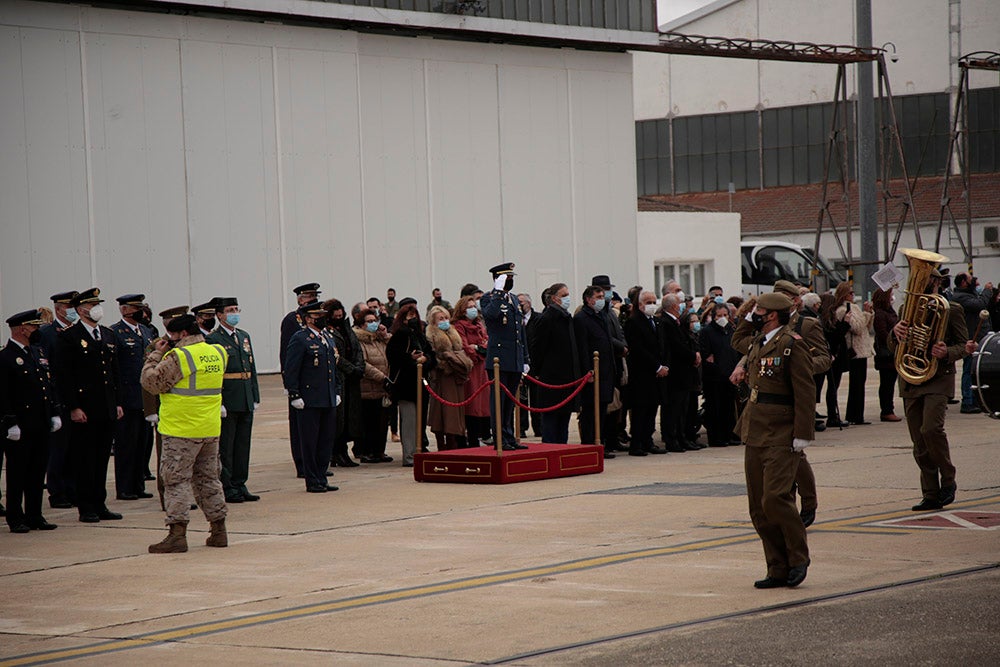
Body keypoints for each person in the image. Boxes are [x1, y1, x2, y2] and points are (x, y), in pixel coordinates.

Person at [734, 292, 814, 589]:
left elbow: (805, 391)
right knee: (758, 506)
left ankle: (798, 557)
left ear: (772, 315)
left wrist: (802, 433)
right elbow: (737, 338)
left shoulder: (792, 346)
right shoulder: (759, 342)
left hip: (782, 431)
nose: (755, 313)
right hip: (755, 429)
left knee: (776, 499)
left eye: (759, 310)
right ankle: (777, 566)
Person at [140, 313, 229, 552]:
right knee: (209, 479)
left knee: (176, 480)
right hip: (209, 428)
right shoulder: (218, 351)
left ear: (182, 334)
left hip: (181, 430)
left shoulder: (179, 356)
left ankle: (177, 534)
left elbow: (152, 383)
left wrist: (155, 355)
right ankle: (219, 529)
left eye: (172, 335)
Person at [890, 269, 973, 511]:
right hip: (911, 378)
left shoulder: (952, 309)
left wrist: (946, 352)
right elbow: (890, 344)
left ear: (937, 281)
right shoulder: (906, 309)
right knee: (919, 441)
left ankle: (948, 477)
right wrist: (895, 334)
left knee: (931, 429)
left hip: (937, 377)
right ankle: (930, 493)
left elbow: (963, 345)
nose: (922, 282)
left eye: (927, 278)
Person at [56, 288, 124, 524]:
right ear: (81, 309)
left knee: (102, 457)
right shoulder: (69, 336)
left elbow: (114, 373)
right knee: (85, 458)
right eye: (92, 304)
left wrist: (117, 403)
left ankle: (99, 502)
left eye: (98, 303)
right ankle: (86, 506)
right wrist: (73, 407)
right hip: (85, 408)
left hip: (106, 406)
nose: (97, 308)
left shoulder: (106, 334)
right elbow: (65, 376)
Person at [1, 309, 62, 533]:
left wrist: (54, 412)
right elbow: (4, 394)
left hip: (40, 422)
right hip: (21, 425)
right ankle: (15, 517)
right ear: (22, 329)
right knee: (18, 473)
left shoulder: (36, 352)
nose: (37, 330)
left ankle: (35, 515)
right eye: (34, 326)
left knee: (37, 472)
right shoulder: (6, 357)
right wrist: (10, 422)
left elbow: (48, 385)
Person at [206, 297, 261, 504]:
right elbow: (215, 373)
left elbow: (251, 368)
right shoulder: (214, 339)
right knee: (226, 446)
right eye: (230, 310)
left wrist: (255, 395)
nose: (234, 312)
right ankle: (227, 485)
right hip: (228, 398)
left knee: (243, 444)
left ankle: (240, 482)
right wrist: (217, 400)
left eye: (236, 308)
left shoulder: (244, 336)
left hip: (245, 396)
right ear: (219, 315)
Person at [283, 302, 340, 493]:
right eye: (318, 315)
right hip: (309, 399)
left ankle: (322, 476)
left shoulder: (327, 337)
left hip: (327, 397)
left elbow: (333, 366)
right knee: (310, 441)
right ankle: (312, 479)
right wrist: (294, 394)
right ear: (308, 318)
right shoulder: (300, 338)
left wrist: (337, 390)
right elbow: (291, 369)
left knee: (325, 440)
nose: (322, 317)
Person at [109, 294, 155, 501]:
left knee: (141, 443)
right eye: (136, 307)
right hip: (127, 396)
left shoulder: (145, 331)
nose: (141, 311)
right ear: (125, 310)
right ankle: (125, 487)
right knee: (126, 444)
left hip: (144, 396)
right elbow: (114, 368)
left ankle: (138, 484)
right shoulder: (115, 332)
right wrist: (117, 400)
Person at [143, 305, 189, 510]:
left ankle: (185, 496)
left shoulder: (189, 346)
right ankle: (166, 497)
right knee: (167, 457)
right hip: (166, 409)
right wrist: (151, 410)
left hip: (188, 408)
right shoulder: (158, 345)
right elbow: (148, 377)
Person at [481, 262, 530, 451]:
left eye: (511, 278)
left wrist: (525, 358)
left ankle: (509, 437)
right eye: (506, 278)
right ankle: (499, 438)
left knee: (510, 403)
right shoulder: (489, 299)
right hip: (499, 359)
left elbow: (520, 331)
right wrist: (498, 293)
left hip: (515, 357)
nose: (510, 281)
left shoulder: (514, 300)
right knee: (499, 402)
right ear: (498, 279)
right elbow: (491, 316)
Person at [38, 290, 79, 509]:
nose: (72, 310)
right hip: (58, 398)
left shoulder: (76, 332)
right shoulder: (48, 333)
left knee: (74, 449)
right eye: (68, 306)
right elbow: (46, 367)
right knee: (58, 450)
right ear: (58, 308)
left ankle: (72, 489)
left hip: (76, 398)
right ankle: (57, 492)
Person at [528, 284, 582, 444]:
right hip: (551, 377)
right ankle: (550, 450)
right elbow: (537, 348)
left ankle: (561, 450)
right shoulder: (547, 319)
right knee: (551, 420)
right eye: (564, 295)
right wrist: (537, 371)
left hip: (566, 377)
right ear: (554, 298)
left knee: (563, 420)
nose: (567, 298)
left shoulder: (566, 317)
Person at [279, 282, 322, 478]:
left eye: (315, 296)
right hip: (300, 379)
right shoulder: (292, 320)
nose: (313, 299)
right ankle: (302, 465)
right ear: (299, 299)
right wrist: (289, 383)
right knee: (299, 426)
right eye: (309, 296)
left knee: (316, 427)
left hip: (317, 380)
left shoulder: (318, 319)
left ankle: (316, 464)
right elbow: (287, 354)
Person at [385, 304, 436, 466]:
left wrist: (425, 359)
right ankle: (409, 455)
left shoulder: (420, 335)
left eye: (414, 316)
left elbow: (431, 355)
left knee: (420, 421)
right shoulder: (399, 335)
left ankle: (419, 450)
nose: (412, 319)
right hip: (405, 385)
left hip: (421, 384)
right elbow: (393, 357)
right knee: (409, 420)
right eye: (408, 316)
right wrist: (410, 358)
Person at [622, 291, 668, 456]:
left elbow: (661, 345)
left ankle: (648, 441)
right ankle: (637, 443)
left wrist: (664, 366)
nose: (651, 305)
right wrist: (656, 366)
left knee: (651, 408)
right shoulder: (633, 322)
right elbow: (638, 349)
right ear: (640, 304)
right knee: (640, 410)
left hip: (656, 374)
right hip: (642, 373)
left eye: (654, 301)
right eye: (648, 302)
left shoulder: (655, 321)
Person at [574, 285, 617, 457]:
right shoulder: (582, 318)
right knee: (590, 412)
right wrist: (587, 371)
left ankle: (600, 443)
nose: (602, 299)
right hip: (592, 374)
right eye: (598, 296)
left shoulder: (602, 315)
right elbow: (582, 348)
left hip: (606, 371)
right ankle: (589, 444)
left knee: (602, 410)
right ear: (588, 299)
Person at [425, 306, 473, 450]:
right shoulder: (430, 335)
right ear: (433, 321)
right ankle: (442, 445)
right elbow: (434, 357)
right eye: (441, 318)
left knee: (454, 413)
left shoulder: (453, 333)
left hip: (456, 378)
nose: (445, 321)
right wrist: (447, 359)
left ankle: (454, 442)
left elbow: (460, 352)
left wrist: (455, 359)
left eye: (446, 318)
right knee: (442, 413)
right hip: (441, 379)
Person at [658, 294, 700, 453]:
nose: (681, 306)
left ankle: (681, 437)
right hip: (675, 373)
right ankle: (672, 439)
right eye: (679, 304)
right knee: (673, 409)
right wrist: (692, 356)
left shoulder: (675, 322)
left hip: (684, 373)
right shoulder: (666, 322)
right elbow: (676, 346)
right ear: (674, 306)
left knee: (682, 408)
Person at [324, 299, 364, 467]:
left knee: (350, 419)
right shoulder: (328, 331)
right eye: (336, 314)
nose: (339, 316)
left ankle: (343, 452)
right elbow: (335, 356)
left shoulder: (347, 329)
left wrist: (359, 367)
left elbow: (357, 349)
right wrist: (350, 369)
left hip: (352, 380)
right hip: (340, 378)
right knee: (338, 420)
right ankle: (336, 452)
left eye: (341, 313)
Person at [354, 308, 393, 463]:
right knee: (368, 422)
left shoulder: (379, 339)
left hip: (382, 389)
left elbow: (393, 348)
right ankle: (366, 452)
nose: (373, 324)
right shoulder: (359, 340)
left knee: (382, 423)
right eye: (369, 321)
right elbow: (363, 364)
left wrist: (385, 335)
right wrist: (381, 377)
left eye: (375, 321)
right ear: (361, 324)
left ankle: (379, 451)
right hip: (368, 388)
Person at [452, 295, 491, 447]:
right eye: (469, 307)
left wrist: (479, 348)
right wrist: (477, 349)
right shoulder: (459, 326)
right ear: (462, 309)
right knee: (472, 404)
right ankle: (472, 437)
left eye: (474, 306)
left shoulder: (479, 325)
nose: (473, 309)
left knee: (483, 403)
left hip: (482, 368)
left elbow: (487, 342)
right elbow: (465, 346)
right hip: (470, 367)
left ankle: (484, 434)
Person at [700, 301, 740, 447]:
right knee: (715, 407)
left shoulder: (730, 329)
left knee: (728, 407)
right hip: (714, 377)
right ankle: (716, 437)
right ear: (713, 316)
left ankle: (730, 434)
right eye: (719, 315)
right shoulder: (707, 331)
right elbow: (707, 355)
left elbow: (733, 351)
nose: (722, 318)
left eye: (725, 315)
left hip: (730, 375)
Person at [952, 272, 990, 414]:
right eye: (970, 279)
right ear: (963, 282)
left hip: (977, 338)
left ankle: (975, 399)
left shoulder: (969, 294)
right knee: (968, 370)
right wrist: (986, 291)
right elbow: (980, 304)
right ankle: (967, 401)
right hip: (970, 339)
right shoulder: (961, 297)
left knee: (975, 370)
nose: (974, 281)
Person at [837, 288, 875, 425]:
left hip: (862, 350)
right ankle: (854, 415)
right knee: (856, 384)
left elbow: (867, 327)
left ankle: (858, 414)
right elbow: (857, 328)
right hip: (855, 351)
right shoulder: (843, 309)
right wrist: (865, 314)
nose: (853, 295)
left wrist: (869, 313)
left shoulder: (855, 308)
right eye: (850, 293)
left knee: (860, 384)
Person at [821, 285, 852, 428]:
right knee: (832, 388)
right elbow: (836, 337)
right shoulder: (828, 322)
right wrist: (845, 323)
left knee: (832, 388)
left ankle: (832, 415)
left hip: (833, 356)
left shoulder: (825, 320)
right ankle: (832, 416)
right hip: (834, 356)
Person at [872, 288, 901, 422]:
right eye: (891, 295)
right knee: (886, 384)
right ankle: (886, 410)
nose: (892, 298)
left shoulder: (888, 311)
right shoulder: (880, 314)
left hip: (893, 351)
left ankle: (888, 409)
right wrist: (894, 335)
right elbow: (882, 333)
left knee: (890, 382)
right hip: (886, 353)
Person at [517, 293, 542, 438]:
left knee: (537, 399)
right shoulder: (515, 320)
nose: (520, 305)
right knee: (521, 399)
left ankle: (539, 427)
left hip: (535, 364)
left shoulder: (538, 319)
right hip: (521, 365)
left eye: (522, 303)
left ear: (529, 303)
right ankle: (521, 427)